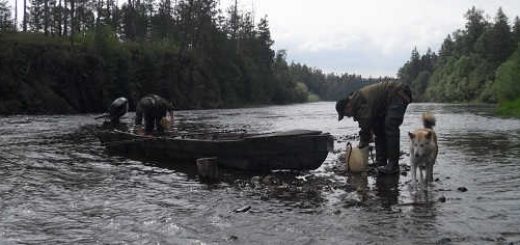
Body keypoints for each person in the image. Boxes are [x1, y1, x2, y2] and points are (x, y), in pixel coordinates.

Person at [335, 81, 412, 175]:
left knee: (391, 126)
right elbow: (370, 124)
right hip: (388, 100)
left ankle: (393, 166)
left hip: (398, 93)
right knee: (378, 128)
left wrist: (362, 145)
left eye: (346, 114)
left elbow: (366, 125)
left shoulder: (359, 101)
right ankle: (381, 163)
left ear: (348, 106)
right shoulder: (357, 102)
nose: (349, 116)